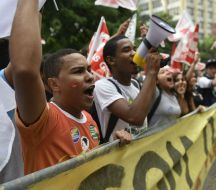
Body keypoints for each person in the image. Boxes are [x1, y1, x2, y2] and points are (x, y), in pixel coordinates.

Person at [10, 0, 130, 175]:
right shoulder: (43, 119)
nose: (90, 76)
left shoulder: (89, 120)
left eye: (89, 69)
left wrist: (114, 145)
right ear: (54, 84)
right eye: (78, 71)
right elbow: (25, 70)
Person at [93, 35, 161, 142]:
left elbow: (146, 110)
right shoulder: (102, 86)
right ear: (111, 60)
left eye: (134, 49)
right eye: (126, 50)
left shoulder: (135, 84)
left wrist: (152, 72)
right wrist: (151, 72)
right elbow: (135, 118)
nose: (134, 53)